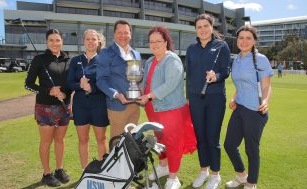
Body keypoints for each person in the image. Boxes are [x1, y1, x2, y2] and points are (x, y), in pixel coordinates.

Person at [137, 26, 197, 189]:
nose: (154, 44)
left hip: (171, 109)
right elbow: (147, 83)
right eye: (152, 41)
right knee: (160, 139)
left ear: (166, 42)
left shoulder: (172, 60)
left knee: (173, 142)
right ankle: (163, 167)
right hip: (153, 108)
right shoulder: (150, 60)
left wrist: (149, 96)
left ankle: (173, 177)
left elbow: (170, 84)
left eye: (158, 41)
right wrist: (140, 91)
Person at [224, 25, 273, 189]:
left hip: (255, 111)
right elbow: (240, 85)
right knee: (229, 145)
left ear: (254, 41)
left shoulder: (261, 59)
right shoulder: (236, 59)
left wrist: (265, 101)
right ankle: (242, 176)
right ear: (236, 40)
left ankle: (251, 184)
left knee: (251, 149)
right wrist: (234, 98)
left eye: (248, 38)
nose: (244, 41)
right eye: (241, 38)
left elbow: (266, 87)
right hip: (240, 108)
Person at [186, 13, 230, 189]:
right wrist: (189, 97)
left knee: (212, 137)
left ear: (212, 27)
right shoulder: (191, 49)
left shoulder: (222, 46)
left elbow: (226, 71)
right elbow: (188, 76)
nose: (202, 29)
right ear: (196, 30)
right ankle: (203, 171)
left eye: (205, 26)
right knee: (200, 137)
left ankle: (215, 175)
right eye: (199, 27)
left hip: (215, 98)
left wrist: (216, 76)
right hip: (196, 99)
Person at [25, 29, 71, 187]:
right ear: (46, 42)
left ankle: (59, 169)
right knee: (46, 141)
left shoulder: (67, 60)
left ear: (62, 42)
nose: (54, 43)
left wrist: (65, 93)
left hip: (63, 107)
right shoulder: (39, 59)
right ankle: (46, 173)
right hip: (45, 107)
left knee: (60, 140)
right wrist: (48, 90)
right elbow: (28, 84)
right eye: (51, 40)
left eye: (57, 40)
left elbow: (70, 84)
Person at [67, 29, 109, 169]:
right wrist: (80, 85)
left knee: (101, 139)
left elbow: (106, 83)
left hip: (99, 104)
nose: (90, 42)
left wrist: (92, 88)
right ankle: (85, 170)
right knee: (83, 139)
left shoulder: (104, 61)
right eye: (88, 39)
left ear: (98, 42)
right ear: (84, 41)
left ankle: (103, 170)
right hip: (81, 106)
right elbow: (69, 83)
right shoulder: (75, 60)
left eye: (93, 39)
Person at [96, 20, 141, 139]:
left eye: (126, 33)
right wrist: (115, 94)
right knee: (117, 144)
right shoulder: (106, 53)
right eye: (119, 32)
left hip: (135, 106)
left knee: (132, 143)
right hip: (117, 106)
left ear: (130, 34)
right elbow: (101, 80)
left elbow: (137, 79)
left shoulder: (136, 54)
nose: (123, 36)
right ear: (114, 34)